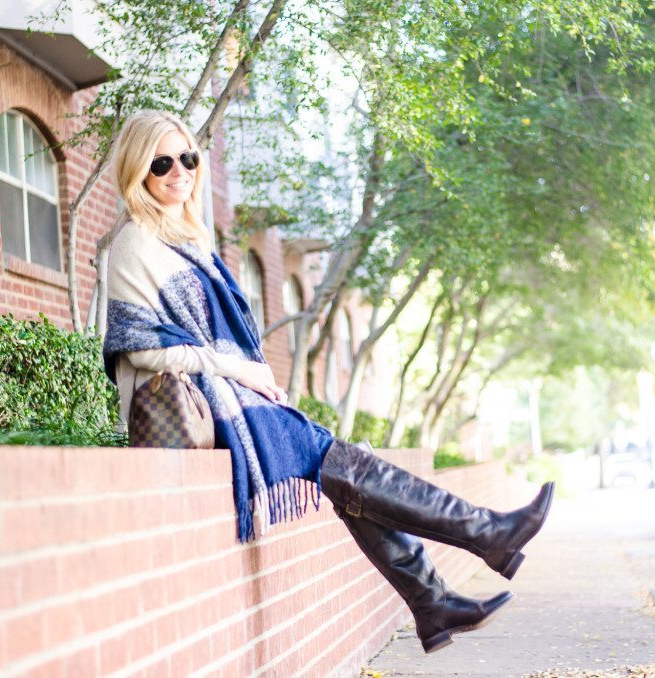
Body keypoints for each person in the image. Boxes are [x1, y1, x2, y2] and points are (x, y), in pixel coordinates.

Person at [102, 110, 554, 654]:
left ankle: (438, 596)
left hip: (235, 397)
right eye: (161, 162)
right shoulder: (135, 242)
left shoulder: (190, 239)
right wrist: (240, 371)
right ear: (137, 171)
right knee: (339, 464)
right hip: (205, 405)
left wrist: (255, 378)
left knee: (344, 472)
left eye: (189, 158)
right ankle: (478, 543)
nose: (180, 171)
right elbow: (138, 344)